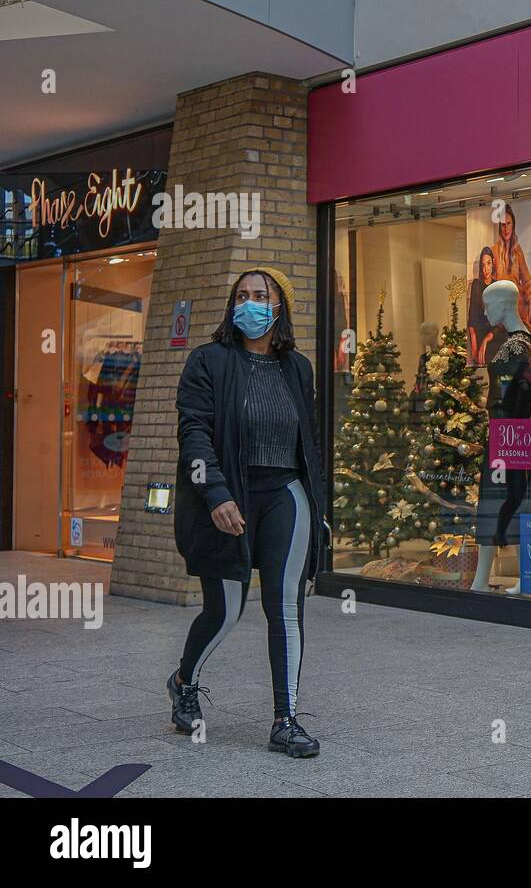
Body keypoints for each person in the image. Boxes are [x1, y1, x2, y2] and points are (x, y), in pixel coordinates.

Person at [166, 267, 327, 758]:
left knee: (285, 607)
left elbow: (310, 442)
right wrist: (215, 494)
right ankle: (184, 681)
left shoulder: (297, 367)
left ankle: (286, 719)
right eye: (242, 295)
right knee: (226, 610)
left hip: (284, 493)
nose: (250, 304)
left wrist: (317, 506)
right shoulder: (207, 362)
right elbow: (193, 432)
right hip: (227, 494)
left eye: (261, 296)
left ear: (279, 307)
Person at [491, 204, 531, 333]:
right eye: (503, 225)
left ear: (513, 225)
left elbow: (526, 279)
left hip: (520, 297)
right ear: (499, 228)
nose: (506, 229)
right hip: (508, 301)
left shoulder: (517, 250)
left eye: (509, 224)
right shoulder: (494, 251)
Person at [468, 245, 496, 365]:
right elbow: (472, 317)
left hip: (494, 334)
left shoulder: (497, 286)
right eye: (483, 265)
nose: (486, 269)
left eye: (488, 263)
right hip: (480, 333)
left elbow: (501, 320)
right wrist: (474, 347)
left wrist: (487, 338)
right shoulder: (476, 285)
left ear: (493, 264)